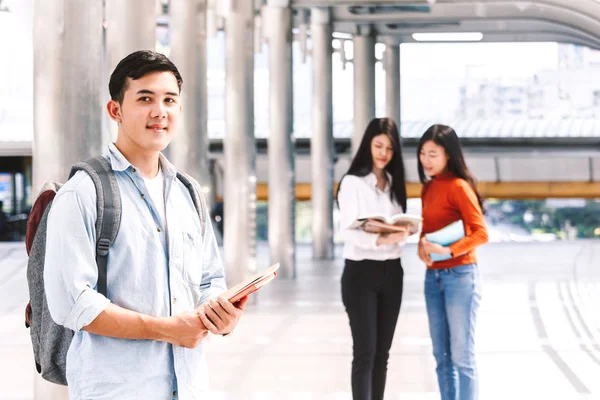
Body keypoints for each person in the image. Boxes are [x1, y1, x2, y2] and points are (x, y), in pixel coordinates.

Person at [44, 50, 248, 399]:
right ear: (116, 110)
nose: (160, 111)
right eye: (145, 98)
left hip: (189, 387)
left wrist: (223, 317)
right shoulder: (83, 194)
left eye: (170, 99)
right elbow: (74, 303)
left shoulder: (188, 193)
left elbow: (208, 280)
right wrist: (168, 330)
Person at [337, 117, 409, 400]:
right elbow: (349, 231)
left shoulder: (393, 183)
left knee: (383, 354)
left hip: (393, 273)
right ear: (368, 146)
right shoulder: (352, 183)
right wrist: (381, 238)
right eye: (378, 146)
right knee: (365, 352)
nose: (383, 153)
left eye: (389, 149)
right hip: (360, 274)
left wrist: (402, 232)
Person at [417, 124, 488, 400]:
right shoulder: (428, 188)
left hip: (460, 277)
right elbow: (428, 230)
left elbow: (480, 232)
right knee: (441, 357)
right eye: (423, 153)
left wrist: (449, 251)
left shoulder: (459, 187)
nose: (426, 160)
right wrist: (422, 248)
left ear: (449, 155)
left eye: (433, 154)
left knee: (462, 357)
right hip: (432, 278)